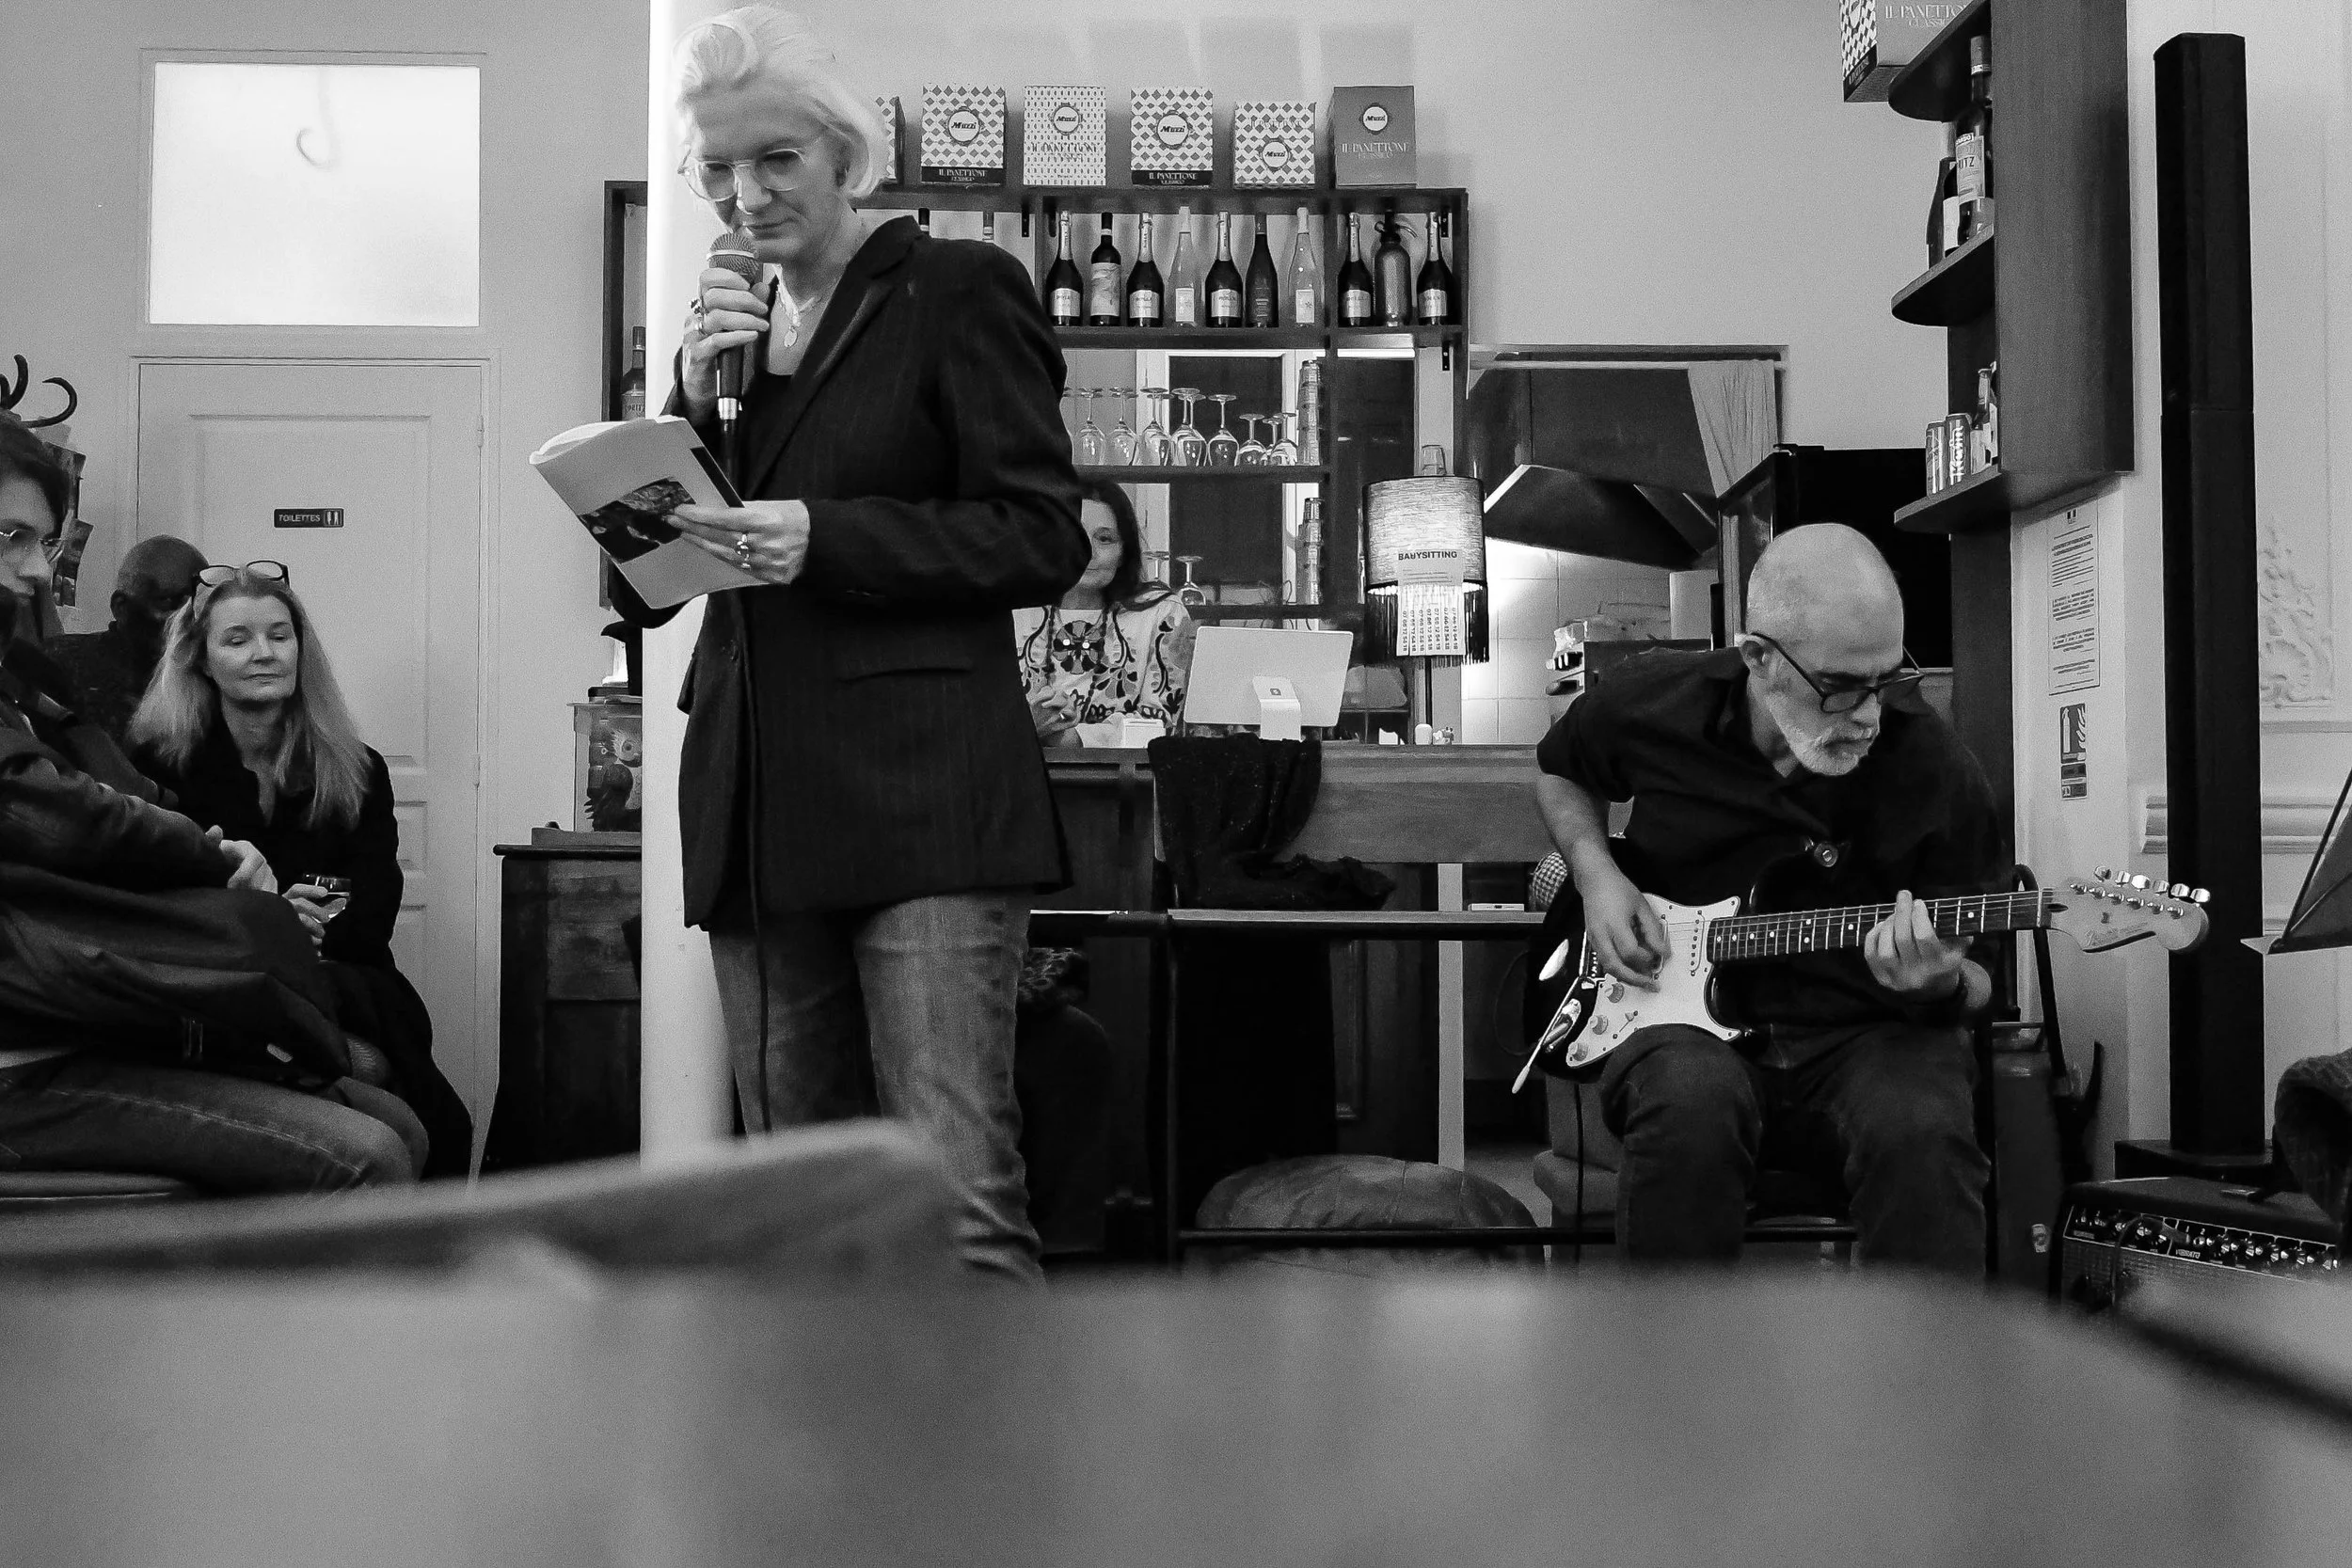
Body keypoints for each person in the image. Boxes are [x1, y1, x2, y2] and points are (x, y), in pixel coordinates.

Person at [612, 7, 1089, 1282]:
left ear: (842, 157)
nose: (741, 193)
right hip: (761, 800)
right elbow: (656, 586)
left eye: (772, 160)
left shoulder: (954, 290)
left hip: (926, 794)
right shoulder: (731, 340)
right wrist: (685, 407)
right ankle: (829, 1481)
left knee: (956, 1190)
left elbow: (1042, 536)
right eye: (714, 168)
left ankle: (994, 1478)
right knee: (801, 1210)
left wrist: (829, 535)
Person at [1534, 523, 2006, 1275]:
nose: (1870, 715)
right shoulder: (1659, 699)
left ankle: (1928, 1379)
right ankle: (1669, 1379)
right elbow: (1561, 770)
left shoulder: (1935, 768)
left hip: (1868, 1035)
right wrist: (1597, 876)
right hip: (1675, 1022)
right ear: (1759, 658)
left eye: (1888, 679)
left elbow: (1986, 975)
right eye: (1842, 687)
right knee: (1689, 1107)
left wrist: (1943, 979)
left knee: (1925, 1131)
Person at [0, 424, 420, 1192]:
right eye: (10, 536)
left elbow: (121, 805)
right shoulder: (163, 746)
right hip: (48, 1039)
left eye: (45, 543)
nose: (34, 570)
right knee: (375, 1148)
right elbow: (58, 816)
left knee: (404, 1118)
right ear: (201, 658)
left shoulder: (31, 680)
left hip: (107, 1003)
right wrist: (218, 859)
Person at [129, 563, 473, 1180]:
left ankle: (417, 1254)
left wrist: (306, 929)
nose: (264, 653)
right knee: (381, 1082)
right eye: (237, 639)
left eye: (279, 635)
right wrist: (273, 919)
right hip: (213, 985)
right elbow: (150, 898)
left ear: (299, 649)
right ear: (201, 660)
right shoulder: (157, 766)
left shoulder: (356, 767)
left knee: (433, 1109)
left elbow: (372, 908)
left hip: (339, 976)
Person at [1014, 479, 1196, 747]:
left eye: (1105, 539)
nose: (1087, 552)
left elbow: (1162, 722)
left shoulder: (1163, 612)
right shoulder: (1012, 609)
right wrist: (1028, 723)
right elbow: (975, 712)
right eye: (1074, 535)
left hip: (1126, 784)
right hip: (1011, 779)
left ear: (1124, 552)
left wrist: (1067, 739)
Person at [47, 534, 208, 745]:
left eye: (200, 605)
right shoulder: (59, 664)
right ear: (121, 607)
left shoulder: (213, 672)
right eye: (169, 602)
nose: (189, 620)